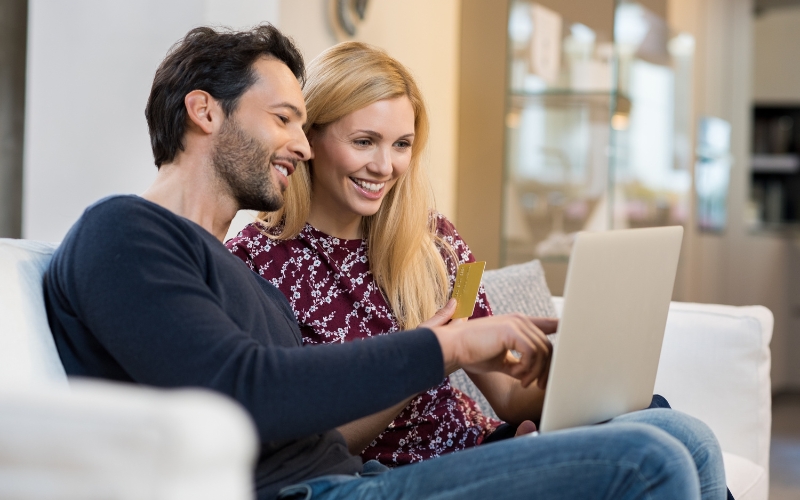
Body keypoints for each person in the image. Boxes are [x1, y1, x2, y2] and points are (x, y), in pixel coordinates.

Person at [44, 24, 727, 500]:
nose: (303, 148)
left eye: (400, 144)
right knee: (649, 459)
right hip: (317, 489)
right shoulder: (123, 232)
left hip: (349, 479)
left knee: (680, 437)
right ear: (204, 112)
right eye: (285, 120)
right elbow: (248, 393)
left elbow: (287, 399)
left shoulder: (232, 274)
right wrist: (444, 345)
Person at [226, 42, 546, 467]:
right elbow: (309, 448)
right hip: (394, 478)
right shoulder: (254, 263)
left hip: (486, 448)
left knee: (656, 419)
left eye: (401, 145)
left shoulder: (438, 241)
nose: (384, 166)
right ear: (309, 138)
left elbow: (507, 395)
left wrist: (565, 377)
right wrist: (426, 356)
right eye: (364, 141)